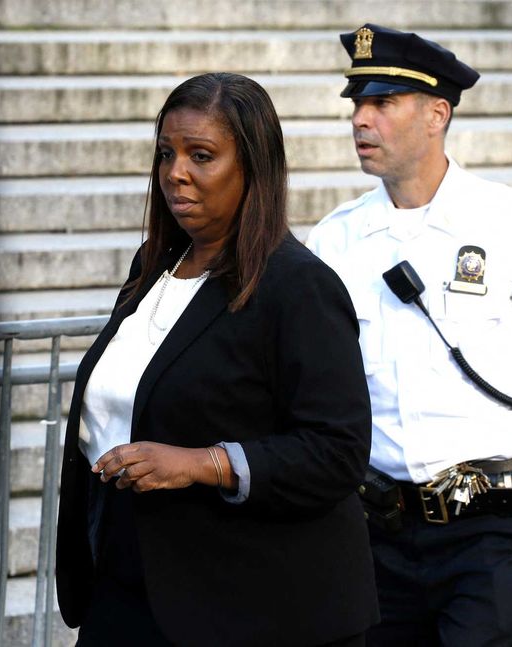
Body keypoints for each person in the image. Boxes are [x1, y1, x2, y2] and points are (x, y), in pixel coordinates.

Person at [305, 25, 512, 646]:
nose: (360, 120)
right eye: (357, 105)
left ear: (436, 115)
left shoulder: (511, 225)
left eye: (382, 103)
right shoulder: (333, 240)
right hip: (375, 532)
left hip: (491, 529)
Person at [56, 72, 378, 646]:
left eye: (201, 155)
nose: (175, 172)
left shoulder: (297, 286)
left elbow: (339, 451)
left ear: (252, 166)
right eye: (166, 153)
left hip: (251, 608)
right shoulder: (152, 266)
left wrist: (203, 463)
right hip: (131, 579)